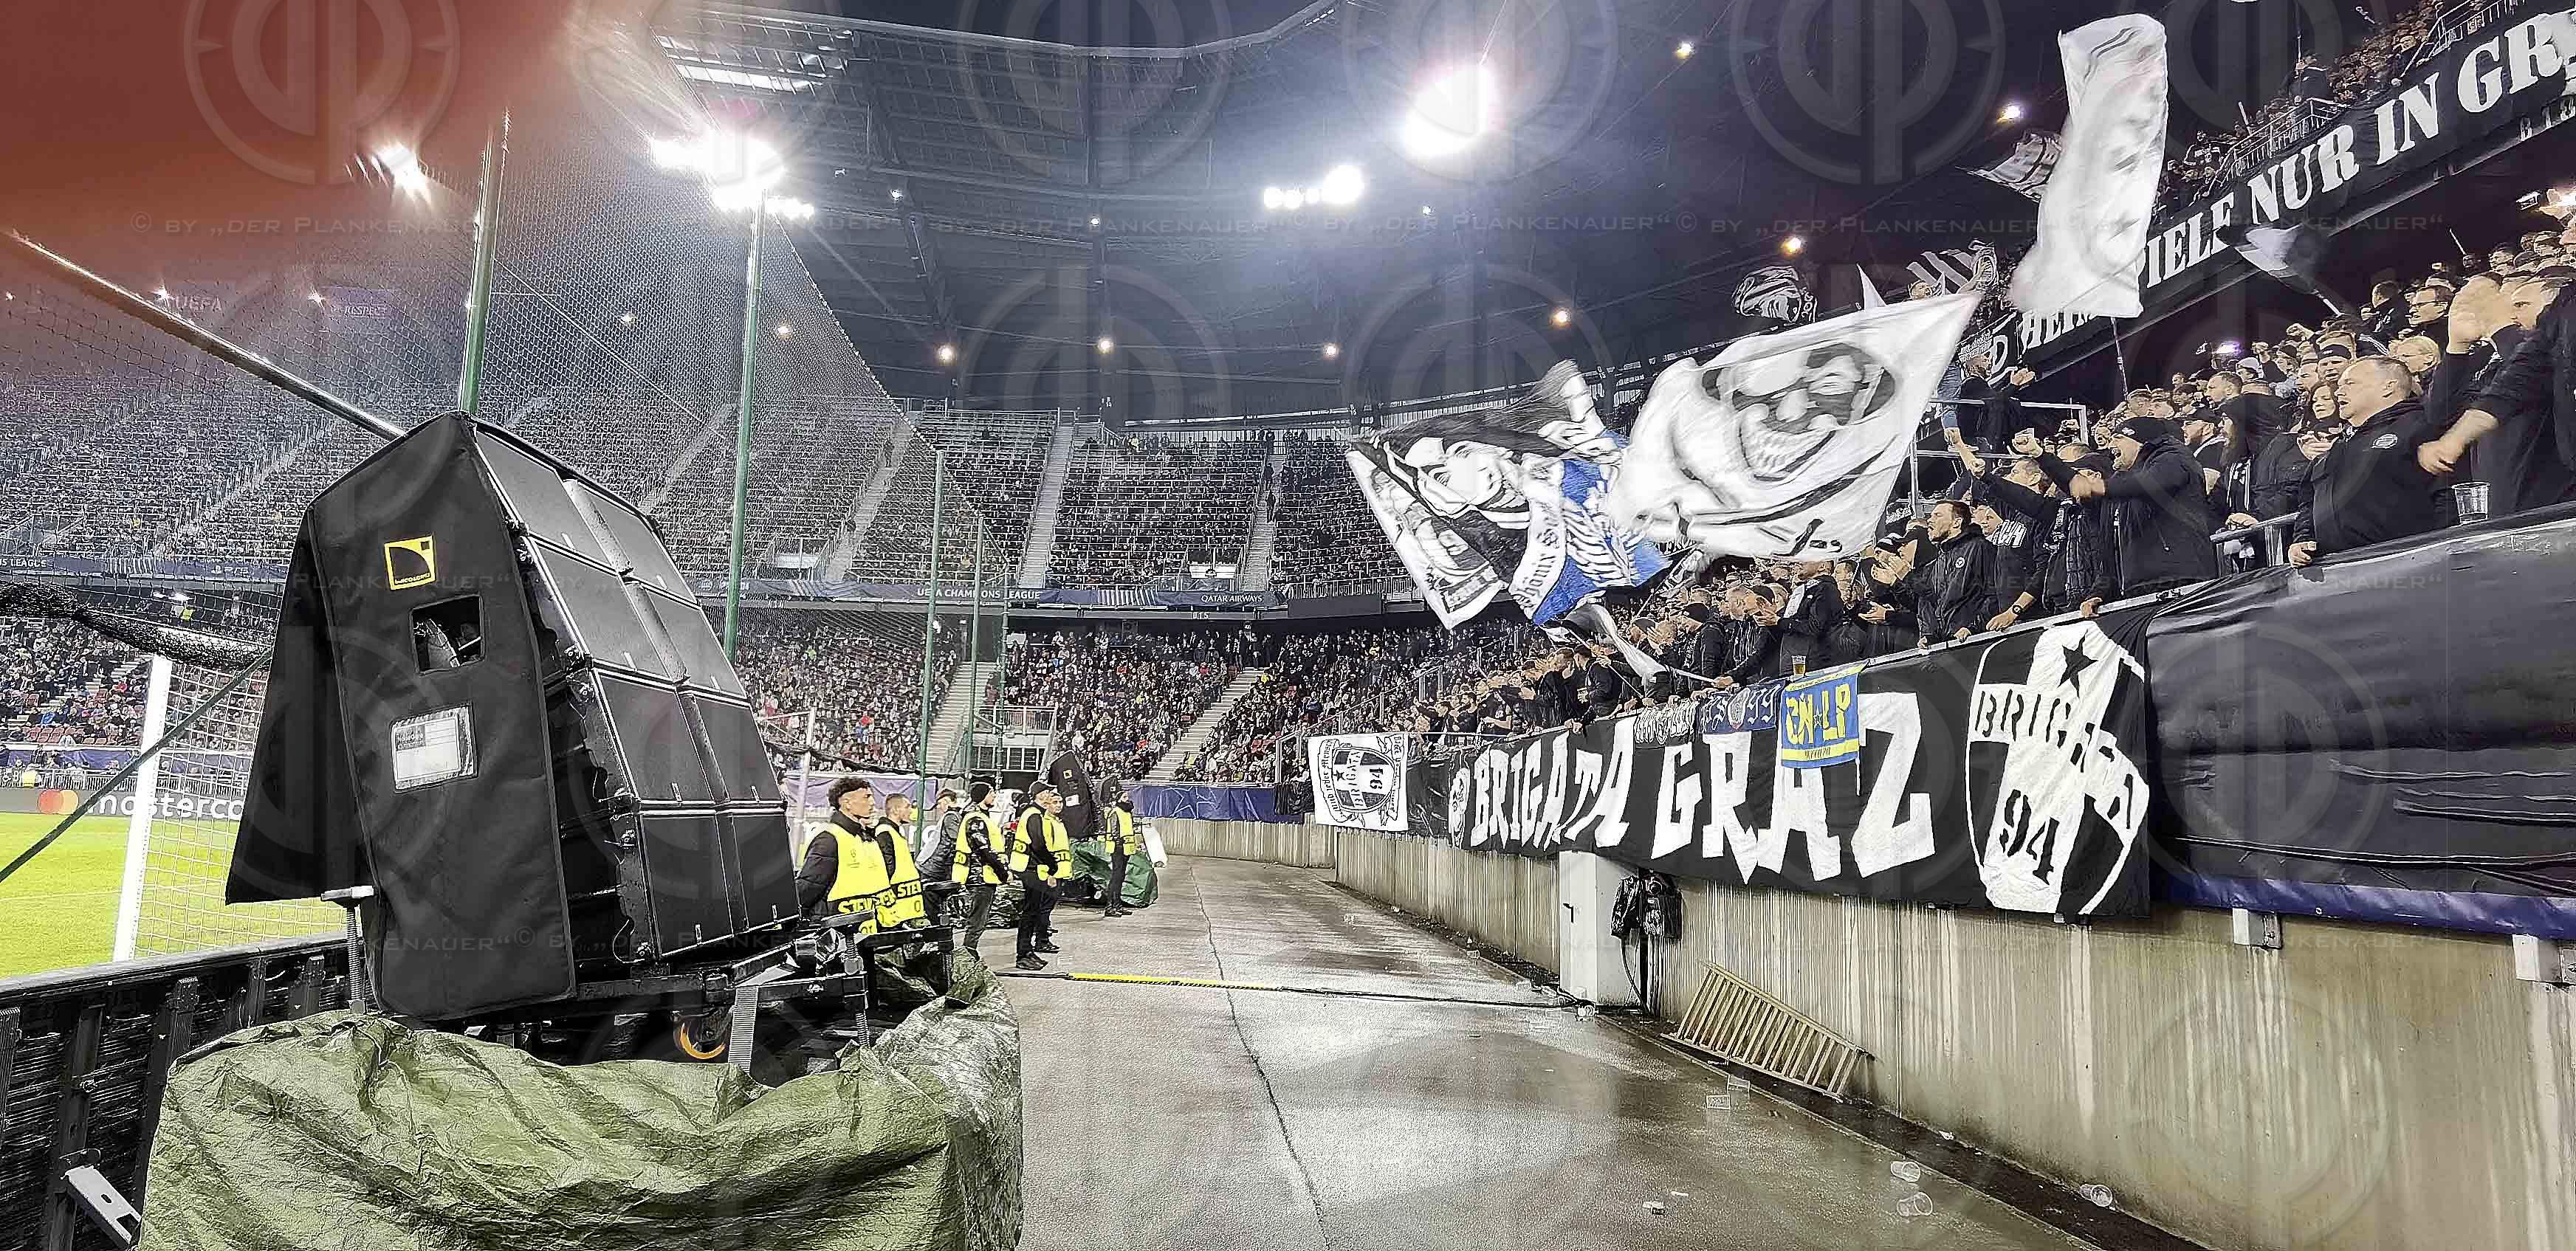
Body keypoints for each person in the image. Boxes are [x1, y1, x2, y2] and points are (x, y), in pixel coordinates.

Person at [2421, 272, 2576, 515]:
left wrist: (2498, 325)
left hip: (2553, 507)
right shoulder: (2486, 359)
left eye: (2521, 305)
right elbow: (2441, 415)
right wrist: (2457, 347)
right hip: (2501, 511)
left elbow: (2532, 371)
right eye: (2507, 306)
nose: (2512, 314)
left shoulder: (2553, 350)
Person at [2290, 357, 2447, 563]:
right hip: (2335, 572)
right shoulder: (2337, 447)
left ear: (2387, 387)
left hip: (2406, 566)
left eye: (2350, 383)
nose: (2338, 392)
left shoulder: (2421, 427)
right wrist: (2303, 539)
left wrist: (2437, 554)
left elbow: (2447, 497)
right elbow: (2309, 503)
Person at [2069, 416, 2219, 596]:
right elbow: (2113, 547)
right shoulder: (2123, 485)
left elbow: (2155, 482)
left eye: (2118, 437)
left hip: (2179, 579)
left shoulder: (2174, 458)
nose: (2110, 445)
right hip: (2140, 584)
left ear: (2139, 441)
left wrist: (2101, 487)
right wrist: (2099, 593)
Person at [936, 781, 1012, 958]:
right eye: (991, 792)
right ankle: (968, 956)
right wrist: (1003, 873)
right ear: (982, 796)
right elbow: (983, 850)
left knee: (978, 921)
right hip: (979, 878)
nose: (994, 795)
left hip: (984, 877)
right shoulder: (975, 818)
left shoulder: (980, 817)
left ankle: (969, 954)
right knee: (976, 922)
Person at [1909, 499, 2000, 643]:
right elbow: (1939, 604)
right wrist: (1933, 636)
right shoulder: (1939, 560)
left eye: (1937, 516)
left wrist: (1973, 628)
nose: (1930, 521)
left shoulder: (1979, 547)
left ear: (1957, 522)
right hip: (1950, 644)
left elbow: (1994, 592)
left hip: (1978, 640)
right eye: (1931, 516)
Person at [1009, 785, 1071, 971]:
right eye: (1047, 792)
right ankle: (1023, 954)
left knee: (1034, 911)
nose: (1050, 794)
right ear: (1039, 794)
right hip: (1030, 869)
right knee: (1030, 913)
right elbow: (1038, 844)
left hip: (1034, 868)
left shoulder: (1038, 814)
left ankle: (1027, 951)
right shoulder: (1034, 815)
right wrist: (1053, 865)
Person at [1099, 797, 1142, 917]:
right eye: (1124, 797)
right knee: (1116, 877)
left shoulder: (1127, 812)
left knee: (1121, 877)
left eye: (1127, 797)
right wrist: (1119, 843)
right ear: (1118, 799)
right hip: (1118, 848)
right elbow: (1114, 831)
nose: (1127, 799)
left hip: (1126, 848)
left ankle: (1118, 905)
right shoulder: (1116, 812)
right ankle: (1110, 907)